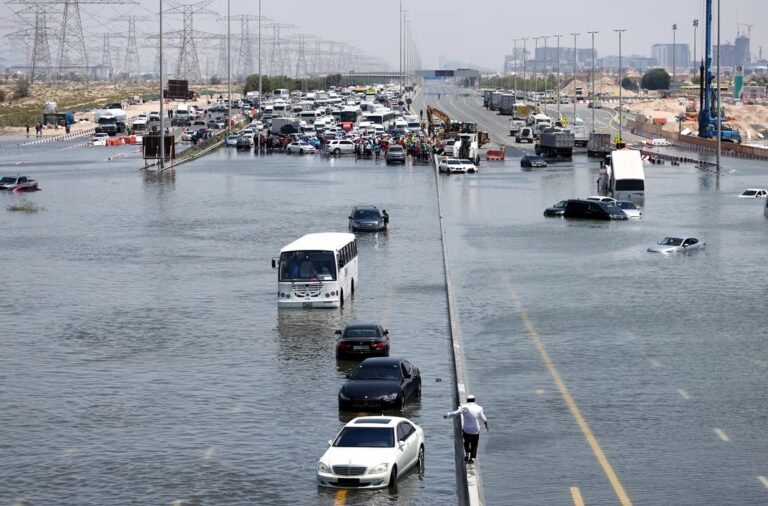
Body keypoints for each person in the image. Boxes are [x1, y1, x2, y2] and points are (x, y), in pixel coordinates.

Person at [443, 394, 488, 464]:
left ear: (467, 400)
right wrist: (486, 425)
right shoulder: (479, 408)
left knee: (466, 442)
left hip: (466, 430)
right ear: (474, 400)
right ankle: (472, 458)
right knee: (475, 444)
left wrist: (447, 415)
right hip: (475, 430)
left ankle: (467, 453)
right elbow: (483, 418)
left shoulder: (464, 407)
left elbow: (456, 413)